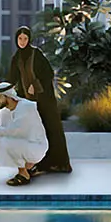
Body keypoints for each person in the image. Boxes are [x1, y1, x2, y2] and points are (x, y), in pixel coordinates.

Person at [6, 27, 70, 176]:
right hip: (28, 103)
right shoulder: (16, 57)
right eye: (20, 39)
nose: (22, 42)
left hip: (44, 100)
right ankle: (37, 164)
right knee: (33, 132)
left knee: (50, 129)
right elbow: (12, 78)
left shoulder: (37, 54)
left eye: (25, 39)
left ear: (29, 40)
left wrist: (35, 86)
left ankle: (58, 164)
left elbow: (48, 73)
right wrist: (1, 90)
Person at [0, 87, 50, 186]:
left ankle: (24, 174)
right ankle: (29, 167)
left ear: (9, 96)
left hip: (37, 146)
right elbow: (5, 131)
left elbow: (14, 131)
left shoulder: (25, 107)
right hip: (27, 144)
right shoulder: (5, 111)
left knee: (5, 143)